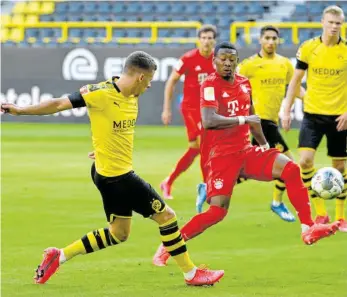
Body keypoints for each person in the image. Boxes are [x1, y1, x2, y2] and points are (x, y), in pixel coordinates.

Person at [1, 51, 224, 286]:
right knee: (167, 217)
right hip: (118, 177)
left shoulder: (131, 95)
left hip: (105, 171)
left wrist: (102, 148)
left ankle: (60, 255)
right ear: (139, 78)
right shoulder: (100, 93)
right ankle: (191, 274)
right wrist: (20, 110)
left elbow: (113, 128)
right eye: (148, 82)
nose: (148, 87)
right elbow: (58, 103)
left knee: (119, 233)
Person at [152, 42, 341, 267]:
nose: (227, 63)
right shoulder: (210, 85)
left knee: (291, 169)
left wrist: (264, 144)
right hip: (222, 157)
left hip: (246, 151)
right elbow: (209, 121)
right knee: (217, 212)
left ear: (237, 62)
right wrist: (244, 120)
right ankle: (168, 247)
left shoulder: (243, 83)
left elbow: (253, 118)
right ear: (214, 62)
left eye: (232, 59)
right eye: (223, 59)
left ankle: (308, 228)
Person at [281, 5, 347, 232]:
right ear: (322, 22)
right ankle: (320, 212)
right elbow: (295, 81)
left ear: (342, 25)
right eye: (330, 22)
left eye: (338, 23)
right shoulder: (309, 48)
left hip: (339, 116)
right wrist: (286, 109)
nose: (334, 27)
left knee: (339, 166)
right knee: (305, 161)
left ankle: (340, 217)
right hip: (312, 114)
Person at [235, 25, 306, 222]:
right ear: (260, 40)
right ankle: (276, 203)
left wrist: (309, 100)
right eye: (267, 38)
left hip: (270, 123)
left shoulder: (284, 64)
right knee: (290, 166)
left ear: (278, 40)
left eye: (274, 38)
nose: (271, 42)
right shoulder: (249, 65)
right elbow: (232, 84)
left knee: (248, 169)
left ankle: (209, 186)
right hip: (259, 121)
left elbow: (295, 88)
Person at [160, 24, 217, 209]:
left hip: (209, 109)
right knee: (204, 145)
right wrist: (167, 109)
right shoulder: (189, 58)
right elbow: (171, 82)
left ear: (214, 40)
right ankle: (206, 187)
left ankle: (168, 181)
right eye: (204, 37)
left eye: (210, 38)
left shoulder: (219, 59)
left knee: (195, 149)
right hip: (191, 108)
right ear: (198, 40)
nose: (207, 41)